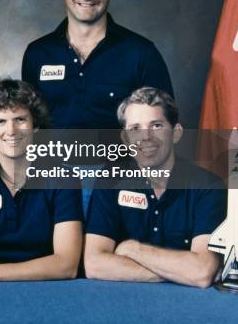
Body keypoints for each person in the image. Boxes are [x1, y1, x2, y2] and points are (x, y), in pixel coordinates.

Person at [84, 87, 226, 288]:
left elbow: (202, 272)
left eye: (156, 125)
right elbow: (94, 264)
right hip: (122, 303)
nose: (146, 137)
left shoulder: (208, 186)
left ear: (176, 133)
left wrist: (133, 249)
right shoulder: (110, 181)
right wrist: (179, 272)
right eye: (135, 129)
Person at [22, 0, 173, 130]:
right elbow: (28, 127)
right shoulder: (37, 54)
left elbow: (162, 129)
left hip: (119, 160)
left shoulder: (141, 54)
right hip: (53, 160)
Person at [0, 79, 83, 282]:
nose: (11, 130)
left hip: (49, 290)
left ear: (35, 126)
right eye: (0, 121)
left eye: (20, 119)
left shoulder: (62, 179)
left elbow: (67, 265)